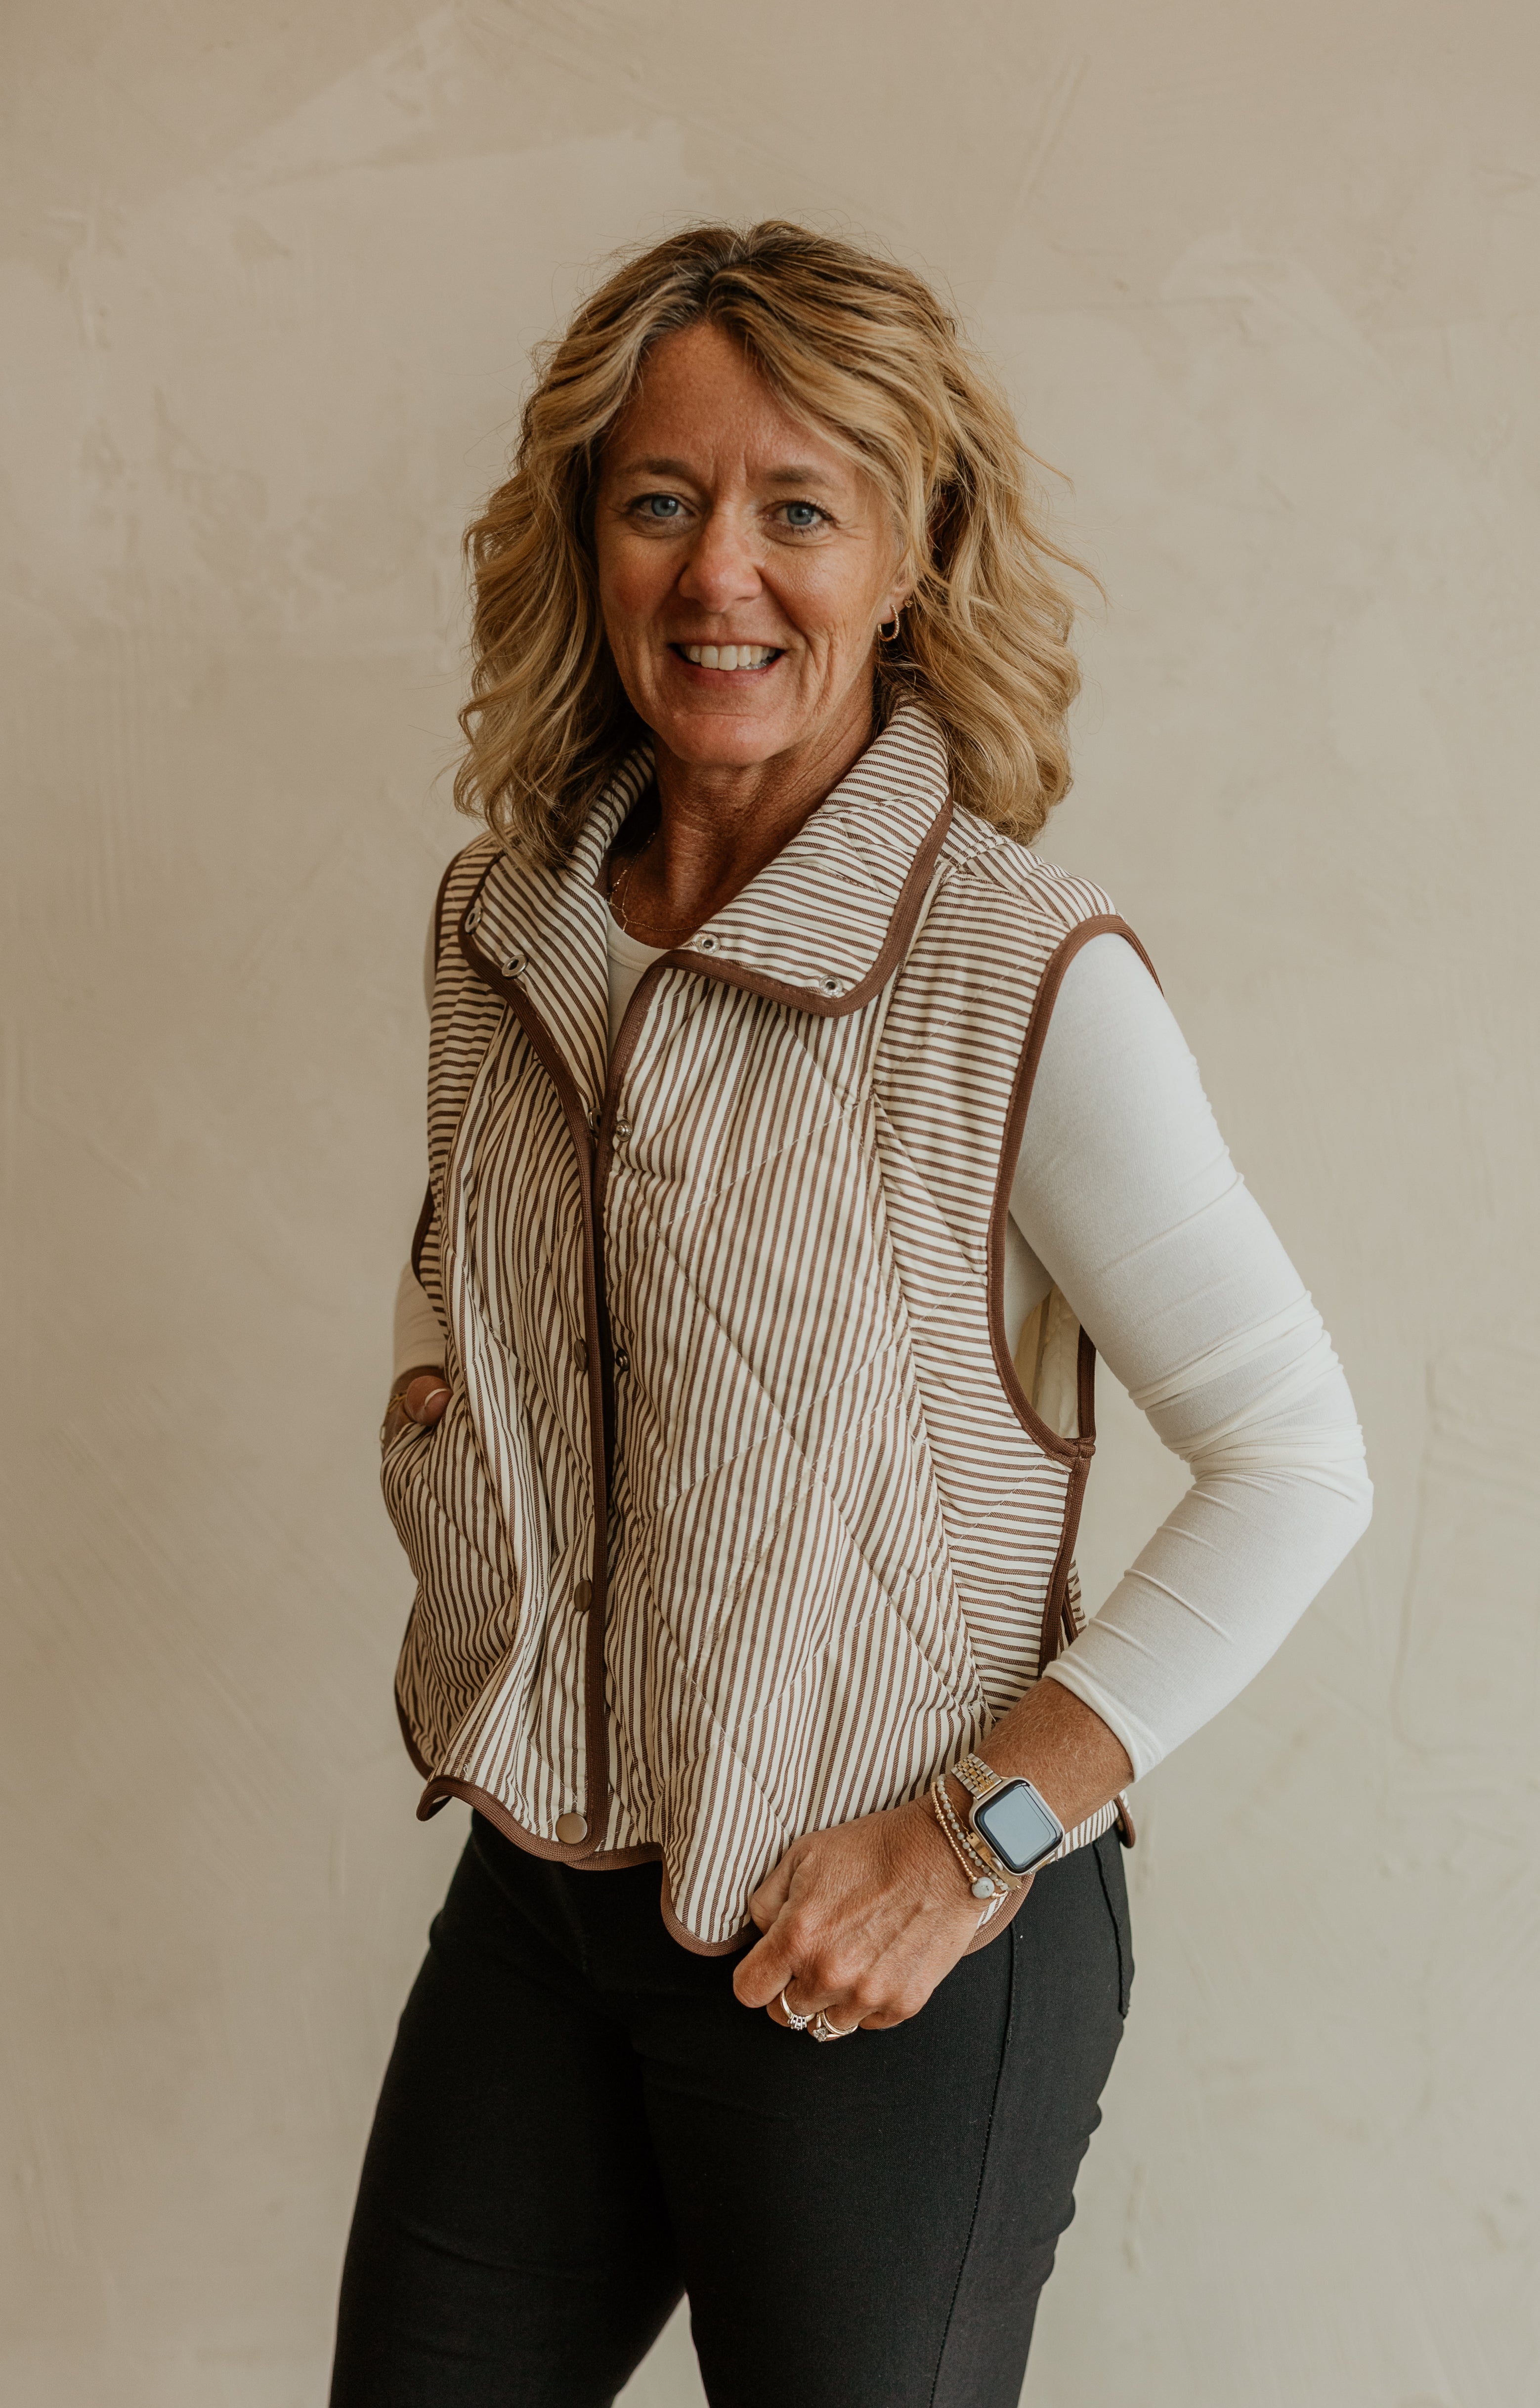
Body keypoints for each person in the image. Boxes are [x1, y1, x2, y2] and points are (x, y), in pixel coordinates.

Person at [330, 221, 1371, 2408]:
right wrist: (440, 1423)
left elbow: (1292, 1462)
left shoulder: (1014, 970)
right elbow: (485, 1273)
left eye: (798, 508)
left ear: (909, 556)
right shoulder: (503, 923)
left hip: (878, 1958)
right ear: (585, 537)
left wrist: (977, 1833)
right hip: (544, 1899)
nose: (720, 573)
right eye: (660, 498)